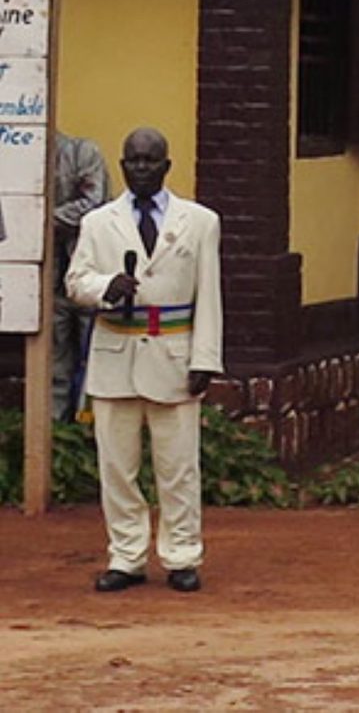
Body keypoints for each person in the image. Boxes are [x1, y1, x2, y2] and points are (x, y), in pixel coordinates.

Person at [64, 128, 221, 593]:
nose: (141, 169)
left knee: (178, 467)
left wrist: (205, 357)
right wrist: (105, 287)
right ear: (122, 164)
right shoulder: (98, 222)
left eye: (150, 161)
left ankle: (182, 555)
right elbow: (76, 281)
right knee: (117, 467)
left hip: (173, 350)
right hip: (115, 354)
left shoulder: (199, 221)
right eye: (133, 161)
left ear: (167, 166)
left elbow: (209, 295)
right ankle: (126, 555)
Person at [48, 132, 112, 422]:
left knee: (95, 359)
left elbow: (94, 203)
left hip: (92, 273)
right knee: (53, 364)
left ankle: (90, 432)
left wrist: (42, 216)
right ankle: (56, 435)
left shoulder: (82, 152)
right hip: (49, 280)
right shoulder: (17, 161)